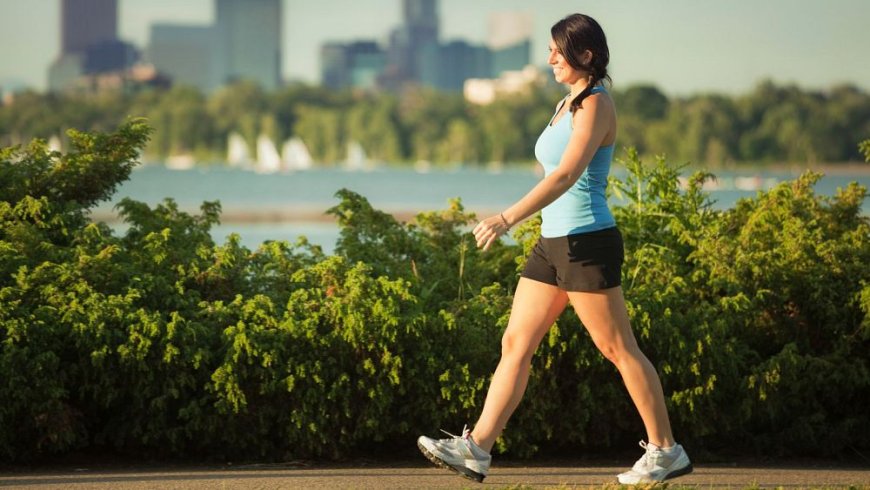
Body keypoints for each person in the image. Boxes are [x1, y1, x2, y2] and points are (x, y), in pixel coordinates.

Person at [417, 13, 693, 485]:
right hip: (552, 244)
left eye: (557, 51)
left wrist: (506, 218)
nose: (549, 59)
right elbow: (552, 175)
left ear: (585, 55)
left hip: (586, 242)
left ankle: (667, 450)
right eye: (548, 50)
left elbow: (565, 176)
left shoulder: (596, 105)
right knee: (515, 344)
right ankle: (477, 448)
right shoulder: (566, 103)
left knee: (618, 348)